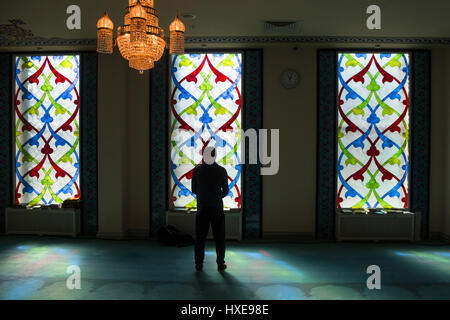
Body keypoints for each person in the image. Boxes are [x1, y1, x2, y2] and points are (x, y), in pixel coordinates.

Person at [192, 146, 229, 271]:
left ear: (203, 155)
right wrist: (217, 197)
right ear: (215, 156)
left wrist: (204, 196)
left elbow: (194, 190)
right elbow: (226, 191)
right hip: (216, 208)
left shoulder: (197, 171)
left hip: (202, 207)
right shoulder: (221, 171)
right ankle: (220, 263)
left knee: (200, 237)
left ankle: (199, 264)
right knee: (219, 237)